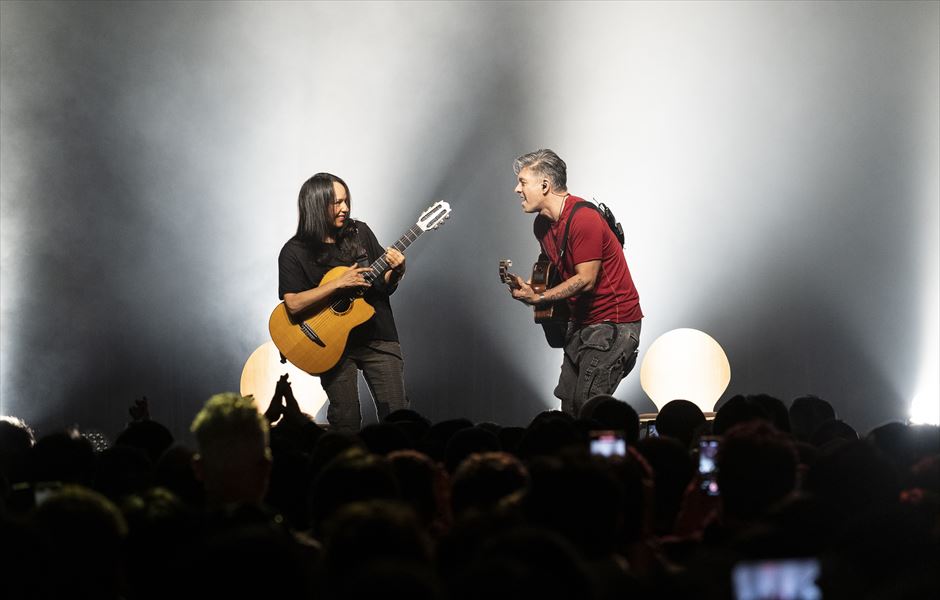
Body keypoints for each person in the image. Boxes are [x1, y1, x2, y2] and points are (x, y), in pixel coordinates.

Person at [507, 149, 643, 417]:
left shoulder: (583, 218)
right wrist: (532, 288)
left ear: (545, 185)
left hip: (612, 324)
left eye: (523, 182)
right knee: (569, 411)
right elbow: (554, 271)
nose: (516, 190)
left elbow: (586, 280)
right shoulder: (542, 226)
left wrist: (541, 298)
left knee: (589, 409)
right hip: (580, 325)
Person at [278, 172, 408, 432]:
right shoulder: (294, 251)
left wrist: (397, 272)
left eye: (346, 201)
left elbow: (383, 284)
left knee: (399, 419)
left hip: (377, 336)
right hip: (331, 345)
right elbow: (292, 304)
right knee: (346, 421)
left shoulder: (360, 233)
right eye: (336, 203)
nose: (345, 208)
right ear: (315, 204)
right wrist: (337, 283)